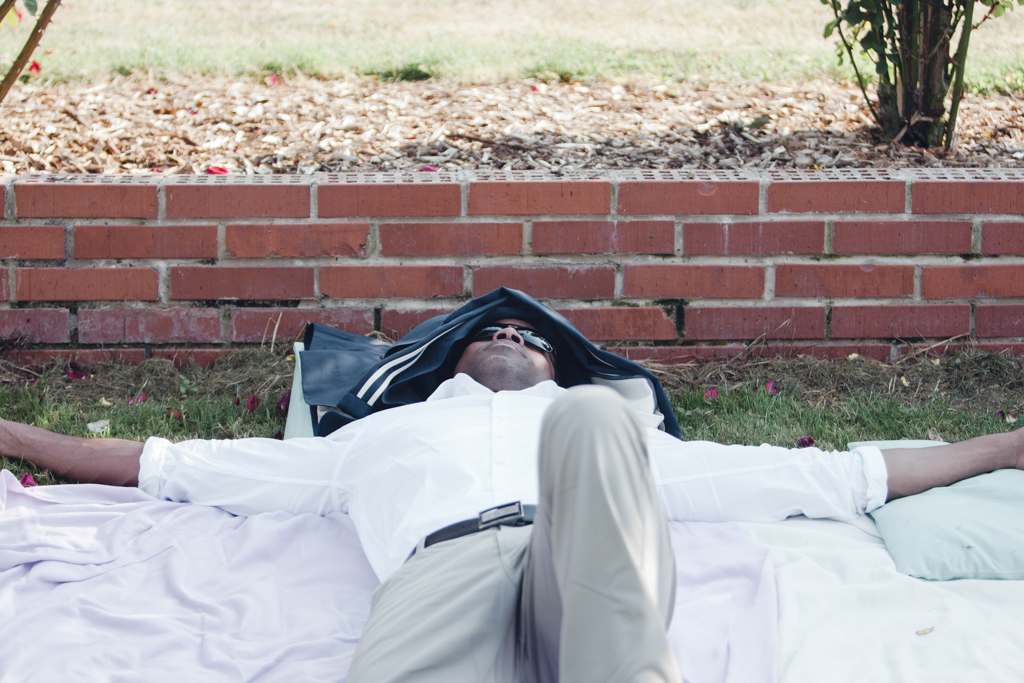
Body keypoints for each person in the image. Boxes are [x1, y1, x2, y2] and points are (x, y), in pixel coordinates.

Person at [2, 295, 1022, 683]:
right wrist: (13, 433)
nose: (512, 333)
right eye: (493, 328)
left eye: (533, 336)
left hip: (582, 549)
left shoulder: (615, 428)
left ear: (556, 364)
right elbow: (161, 464)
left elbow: (840, 475)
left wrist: (1002, 443)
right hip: (440, 567)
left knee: (593, 426)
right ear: (448, 363)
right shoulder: (371, 439)